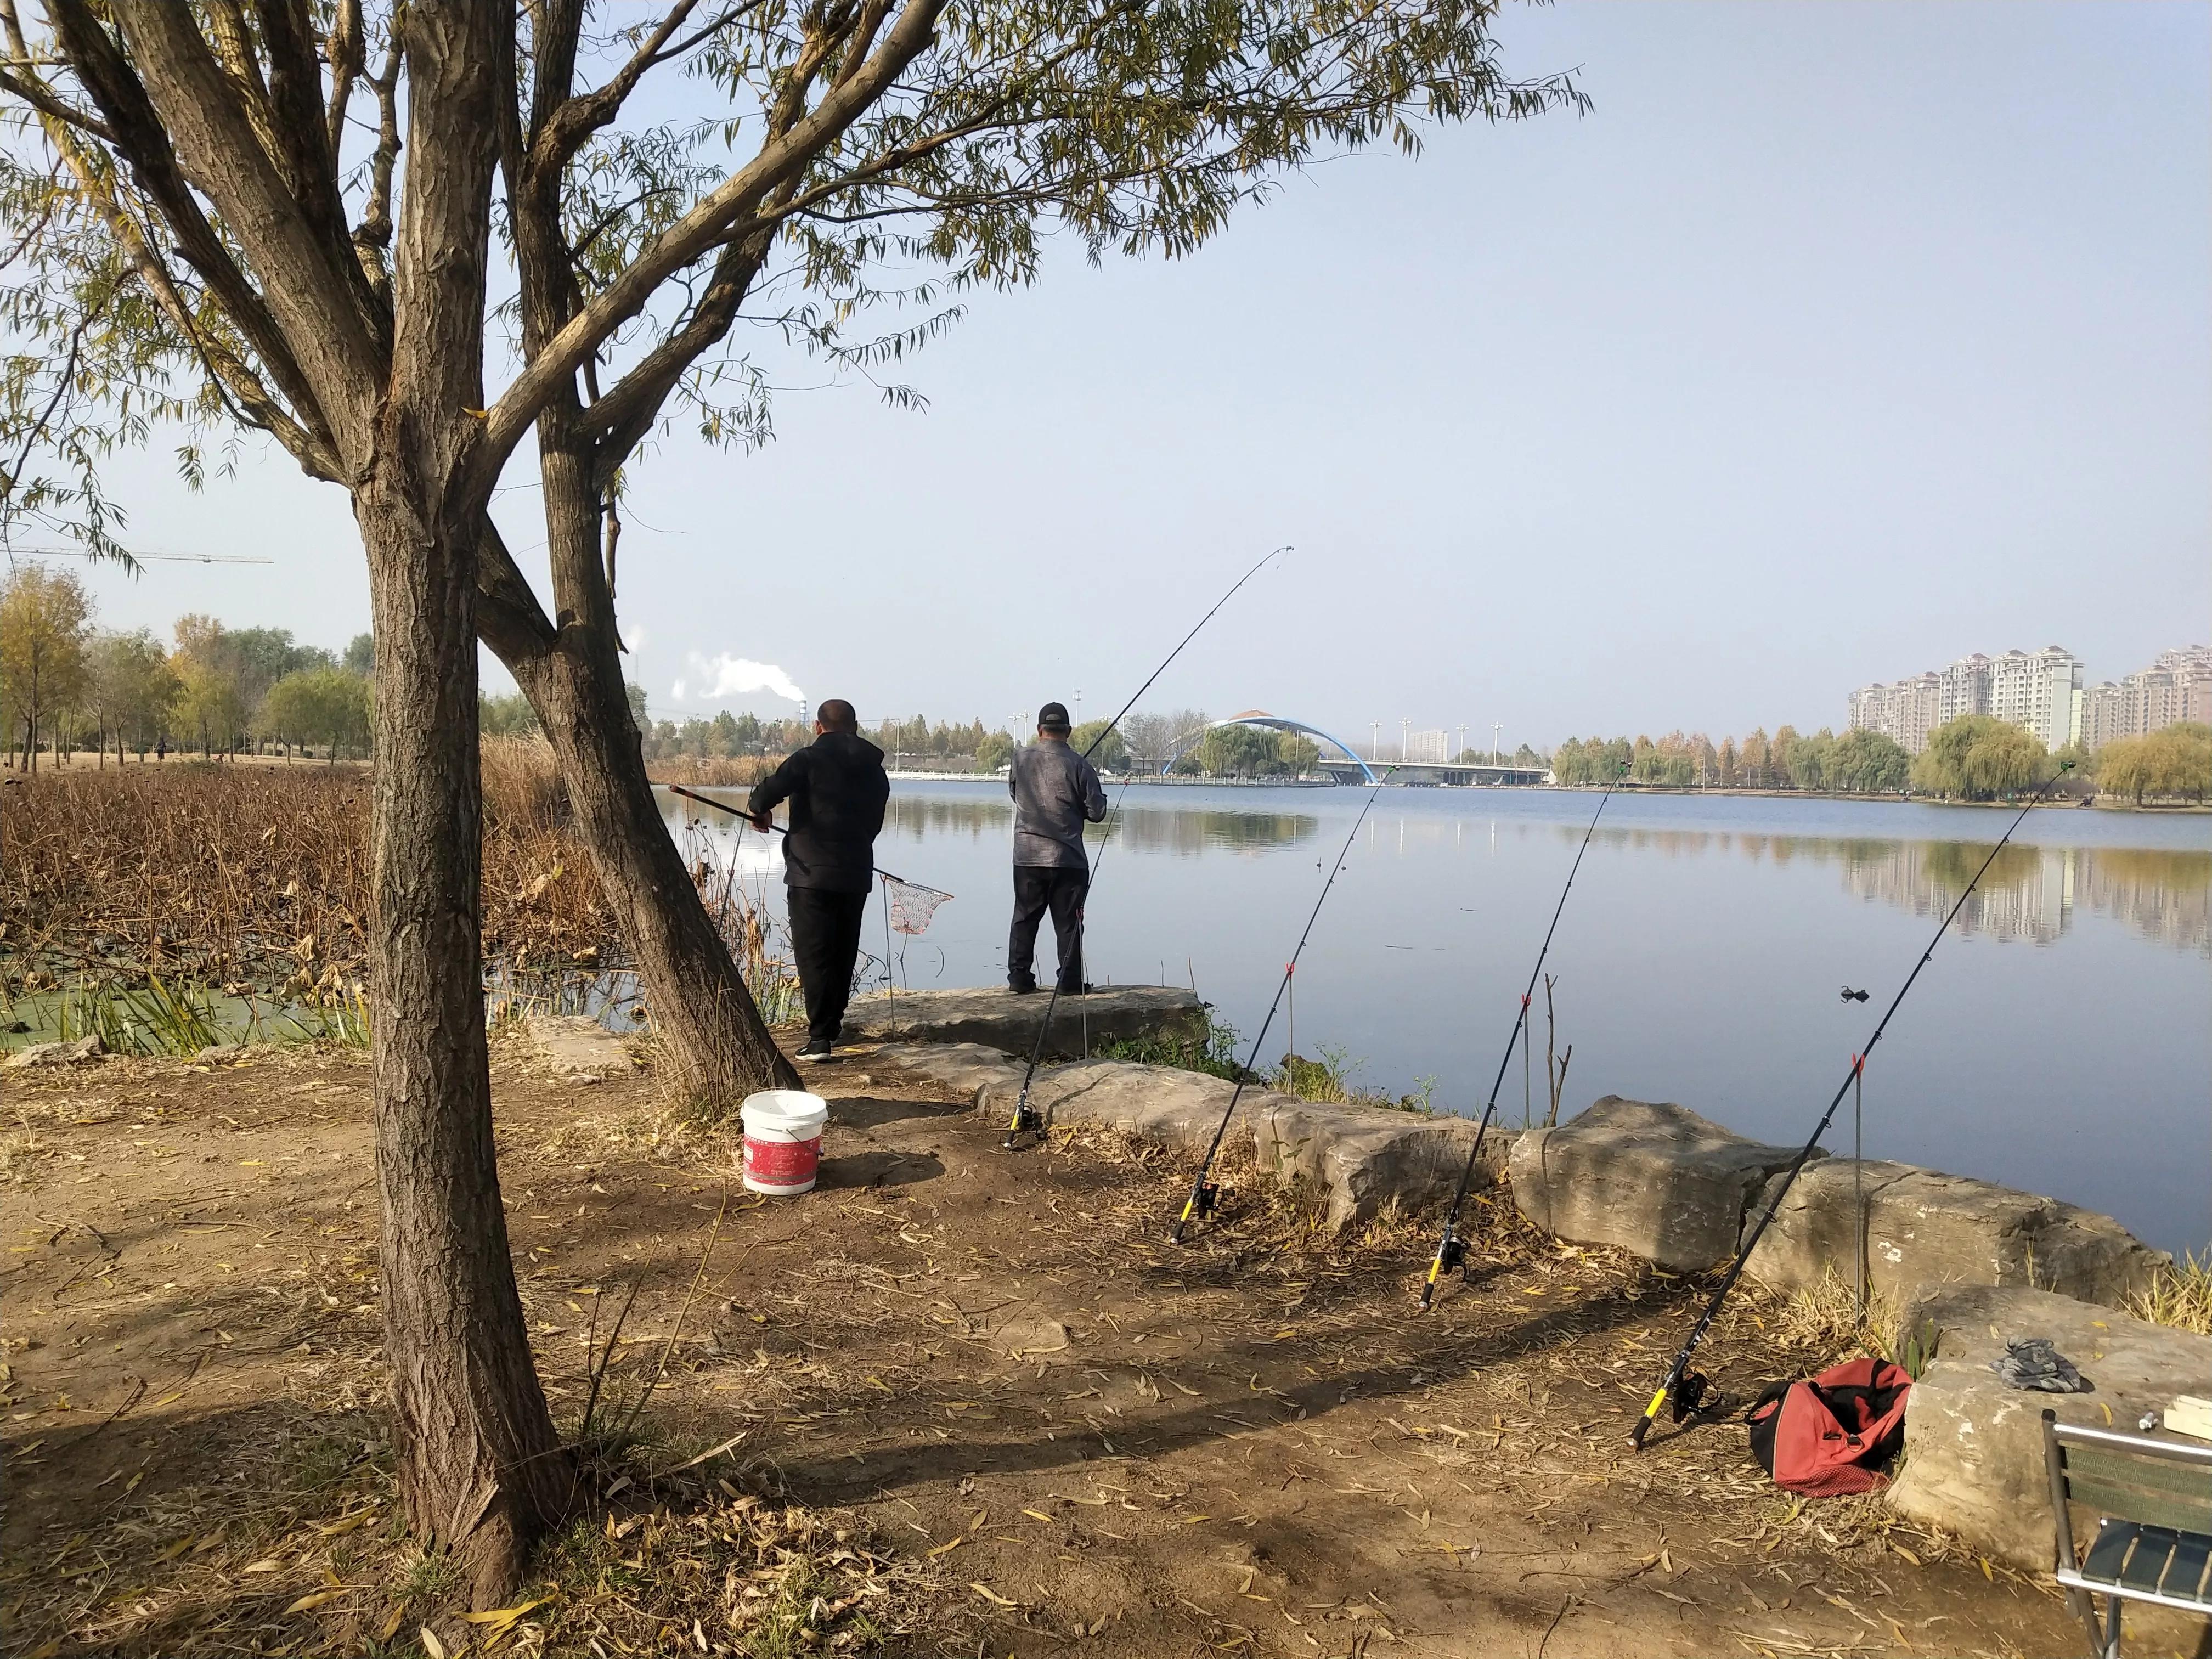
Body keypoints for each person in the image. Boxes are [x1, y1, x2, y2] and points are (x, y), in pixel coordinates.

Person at [748, 699, 889, 1062]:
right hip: (856, 871)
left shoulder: (807, 760)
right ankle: (832, 1027)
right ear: (855, 727)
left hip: (810, 873)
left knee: (814, 955)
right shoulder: (875, 770)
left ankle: (820, 1038)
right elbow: (873, 824)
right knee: (843, 951)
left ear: (818, 726)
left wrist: (761, 812)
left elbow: (764, 795)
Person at [1007, 701, 1107, 995]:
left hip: (1027, 856)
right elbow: (1097, 812)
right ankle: (1069, 983)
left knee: (1025, 917)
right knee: (1068, 924)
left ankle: (1018, 978)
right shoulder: (1080, 764)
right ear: (1069, 731)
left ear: (1039, 731)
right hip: (1068, 860)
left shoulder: (1019, 758)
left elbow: (1015, 794)